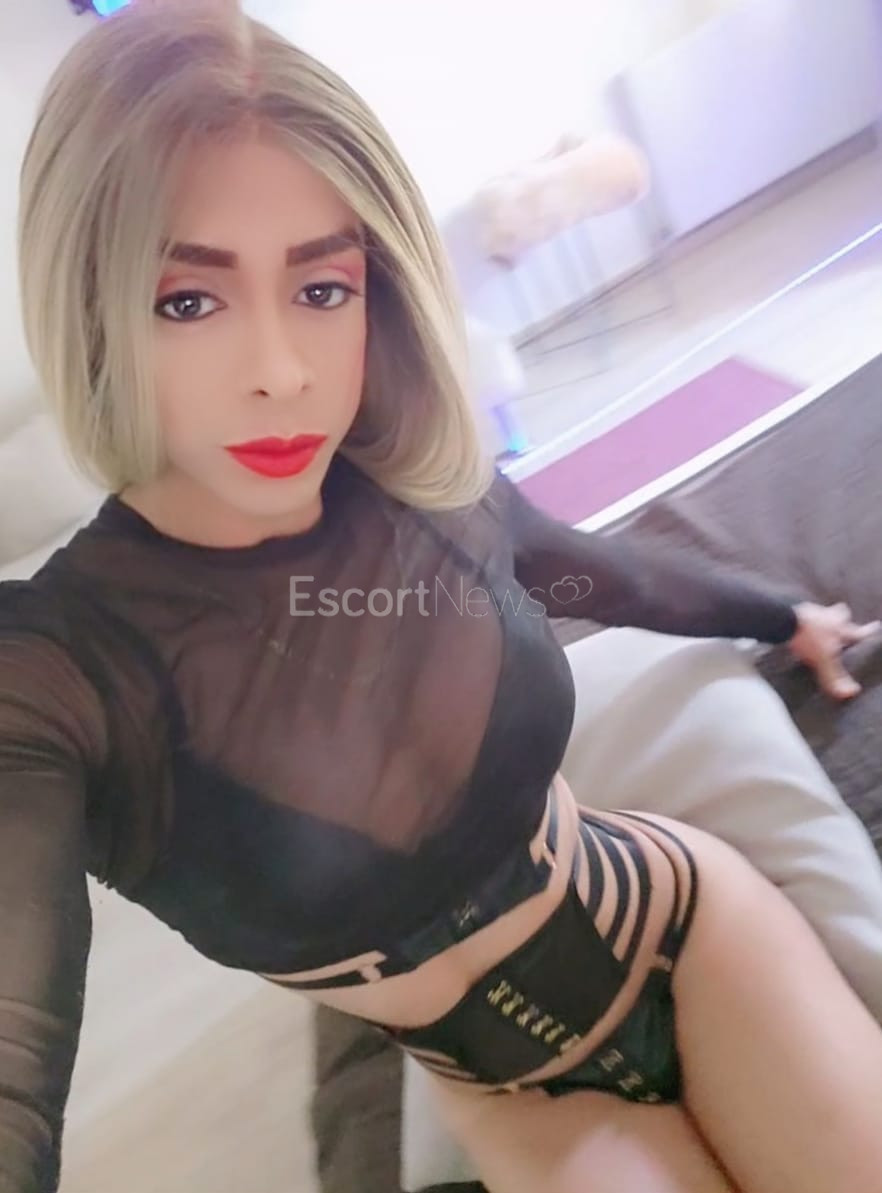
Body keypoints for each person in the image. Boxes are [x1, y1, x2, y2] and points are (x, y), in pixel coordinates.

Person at [4, 5, 882, 1192]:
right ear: (90, 304)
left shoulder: (426, 488)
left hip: (688, 916)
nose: (282, 371)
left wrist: (785, 617)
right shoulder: (51, 674)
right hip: (525, 1093)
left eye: (323, 287)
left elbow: (595, 570)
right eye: (188, 301)